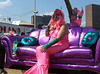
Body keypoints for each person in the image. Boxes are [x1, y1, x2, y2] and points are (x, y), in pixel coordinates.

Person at [24, 9, 69, 74]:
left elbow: (59, 38)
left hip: (63, 44)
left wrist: (47, 46)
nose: (55, 18)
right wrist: (48, 25)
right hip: (55, 44)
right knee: (39, 48)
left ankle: (42, 71)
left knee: (43, 50)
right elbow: (47, 35)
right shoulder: (55, 26)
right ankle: (41, 70)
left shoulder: (64, 26)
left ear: (61, 17)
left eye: (57, 16)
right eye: (54, 16)